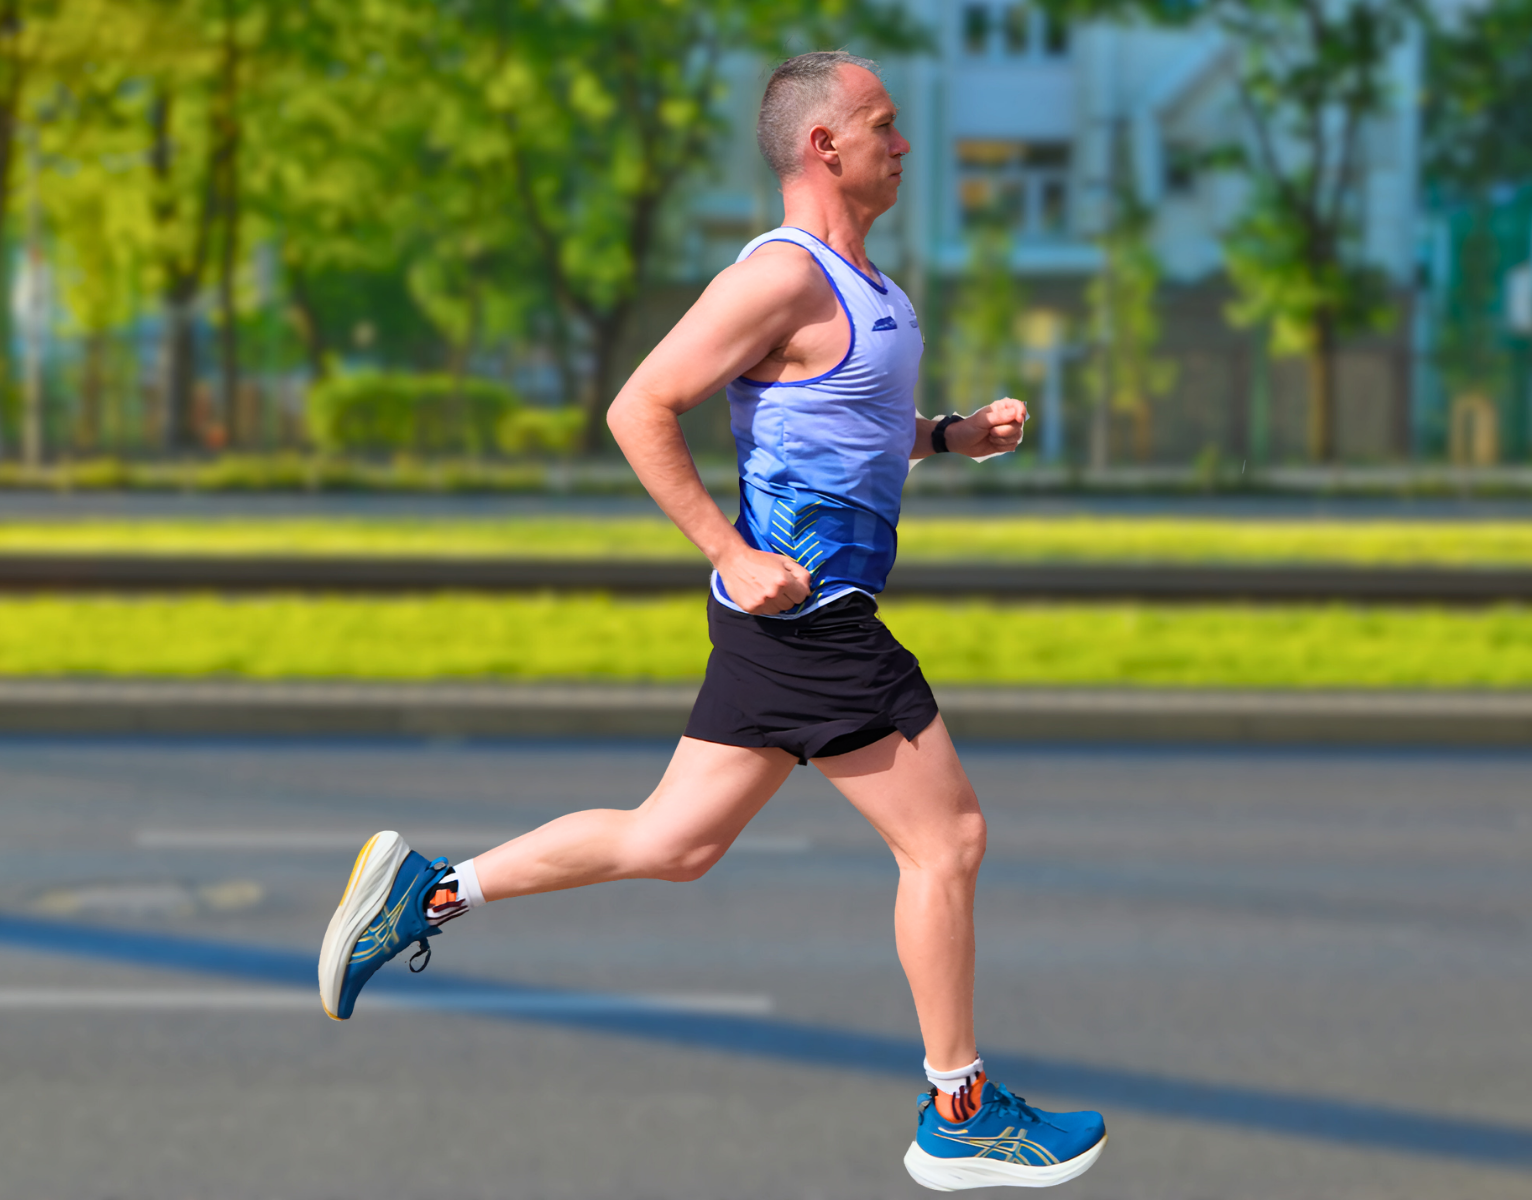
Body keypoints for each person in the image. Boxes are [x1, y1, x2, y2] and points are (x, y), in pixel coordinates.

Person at [317, 50, 1106, 1191]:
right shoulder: (780, 279)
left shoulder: (869, 285)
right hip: (814, 623)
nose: (902, 143)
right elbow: (638, 405)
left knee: (672, 843)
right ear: (825, 145)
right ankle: (961, 1113)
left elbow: (838, 431)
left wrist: (947, 436)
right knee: (949, 841)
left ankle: (425, 892)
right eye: (883, 124)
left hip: (788, 628)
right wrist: (731, 553)